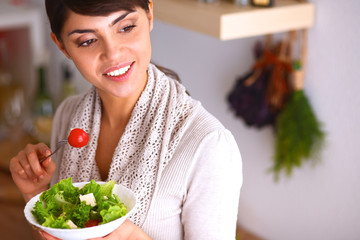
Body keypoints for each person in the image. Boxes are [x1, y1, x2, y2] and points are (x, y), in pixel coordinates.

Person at [9, 0, 243, 239]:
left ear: (149, 14)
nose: (113, 54)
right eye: (88, 41)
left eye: (126, 27)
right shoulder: (68, 115)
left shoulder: (208, 144)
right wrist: (36, 195)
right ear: (62, 46)